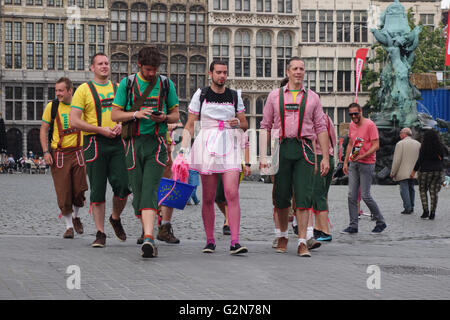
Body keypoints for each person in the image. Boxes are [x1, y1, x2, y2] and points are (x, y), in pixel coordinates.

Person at [111, 46, 180, 258]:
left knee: (150, 190)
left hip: (157, 144)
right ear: (139, 65)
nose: (152, 73)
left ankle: (149, 238)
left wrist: (163, 118)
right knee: (138, 192)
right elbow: (115, 115)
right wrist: (136, 114)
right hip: (133, 144)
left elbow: (175, 115)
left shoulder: (166, 85)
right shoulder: (127, 84)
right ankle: (146, 228)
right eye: (148, 69)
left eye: (155, 69)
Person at [259, 57, 330, 257]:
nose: (299, 72)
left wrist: (324, 157)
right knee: (281, 196)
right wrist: (263, 155)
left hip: (305, 149)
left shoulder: (313, 98)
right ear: (288, 72)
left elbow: (321, 128)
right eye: (295, 69)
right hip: (281, 148)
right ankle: (282, 235)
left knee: (303, 196)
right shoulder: (274, 96)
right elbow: (265, 126)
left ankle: (301, 241)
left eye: (302, 69)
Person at [182, 60, 249, 255]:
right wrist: (183, 151)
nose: (222, 76)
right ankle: (210, 240)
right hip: (207, 145)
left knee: (232, 193)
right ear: (210, 73)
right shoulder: (201, 94)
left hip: (230, 144)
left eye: (225, 73)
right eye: (218, 72)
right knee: (209, 196)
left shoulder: (234, 96)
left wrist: (238, 122)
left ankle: (235, 241)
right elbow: (190, 123)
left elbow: (244, 123)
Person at [70, 53, 130, 248]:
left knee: (123, 187)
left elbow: (127, 113)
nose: (104, 66)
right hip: (94, 143)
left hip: (117, 142)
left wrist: (122, 123)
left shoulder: (118, 88)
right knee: (97, 190)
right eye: (100, 64)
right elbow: (74, 120)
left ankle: (115, 217)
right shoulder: (83, 90)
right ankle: (100, 232)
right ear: (92, 68)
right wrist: (99, 129)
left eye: (106, 63)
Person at [40, 77, 88, 238]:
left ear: (70, 90)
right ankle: (69, 227)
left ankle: (75, 216)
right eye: (56, 90)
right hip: (59, 154)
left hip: (78, 152)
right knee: (63, 192)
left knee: (79, 190)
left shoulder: (80, 105)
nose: (58, 93)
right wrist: (46, 152)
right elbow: (44, 130)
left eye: (61, 90)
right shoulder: (52, 107)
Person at [342, 102, 386, 234]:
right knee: (351, 195)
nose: (354, 116)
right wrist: (345, 162)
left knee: (366, 195)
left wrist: (363, 156)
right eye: (351, 114)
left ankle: (380, 221)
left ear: (361, 112)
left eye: (356, 113)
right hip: (354, 162)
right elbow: (350, 144)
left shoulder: (370, 125)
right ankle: (353, 225)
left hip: (367, 163)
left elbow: (376, 145)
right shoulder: (351, 125)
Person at [311, 113, 336, 242]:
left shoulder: (311, 119)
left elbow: (312, 142)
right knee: (322, 194)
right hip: (330, 158)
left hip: (319, 158)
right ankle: (318, 227)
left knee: (318, 195)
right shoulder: (327, 117)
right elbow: (334, 139)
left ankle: (325, 230)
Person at [411, 129, 447, 220]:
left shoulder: (424, 147)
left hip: (425, 171)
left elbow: (420, 159)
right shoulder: (440, 146)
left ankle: (425, 211)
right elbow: (442, 158)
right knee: (433, 192)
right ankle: (433, 213)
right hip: (437, 170)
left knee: (423, 190)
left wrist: (414, 171)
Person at [390, 127, 421, 214]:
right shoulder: (418, 144)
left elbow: (397, 160)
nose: (399, 134)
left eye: (400, 133)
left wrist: (393, 172)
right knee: (411, 188)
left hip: (402, 171)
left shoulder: (400, 144)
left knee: (404, 190)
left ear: (405, 134)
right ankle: (411, 206)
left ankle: (407, 208)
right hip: (414, 171)